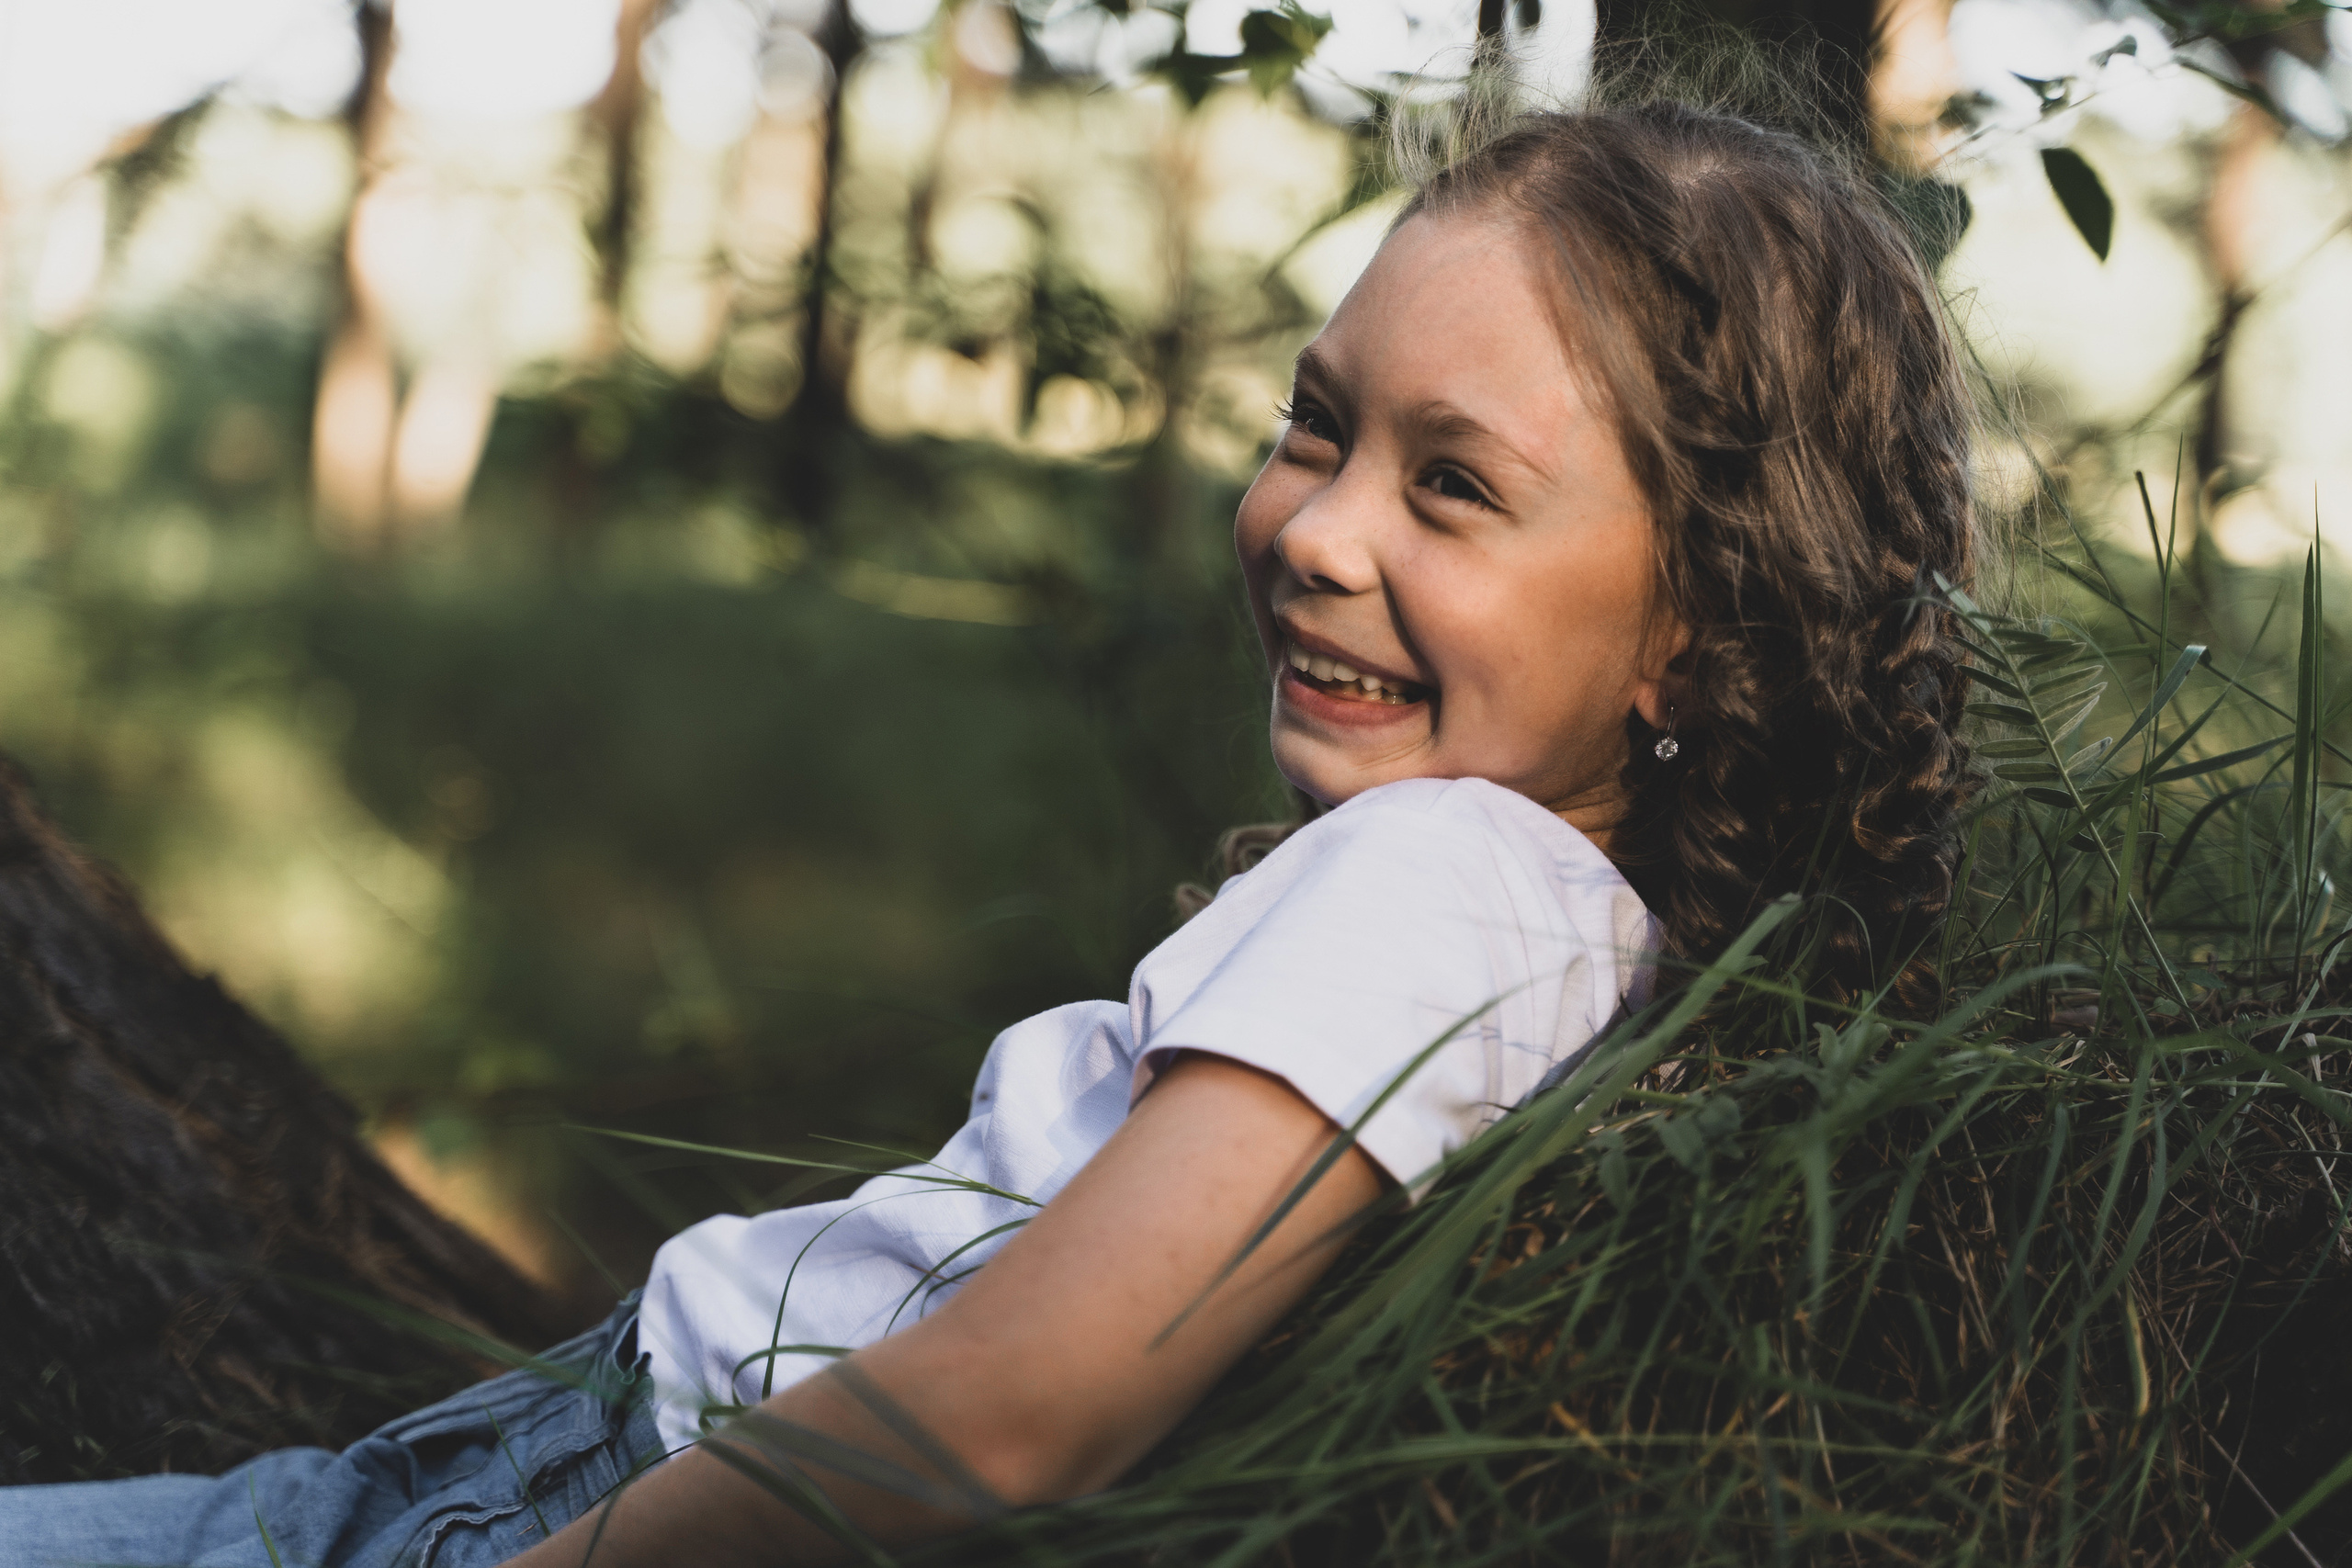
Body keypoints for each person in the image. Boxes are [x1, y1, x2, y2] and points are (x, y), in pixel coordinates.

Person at [0, 96, 1973, 1567]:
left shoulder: (1453, 879)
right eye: (1312, 422)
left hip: (592, 1497)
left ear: (1695, 630)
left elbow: (1013, 1410)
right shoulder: (1564, 911)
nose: (1313, 526)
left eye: (1450, 486)